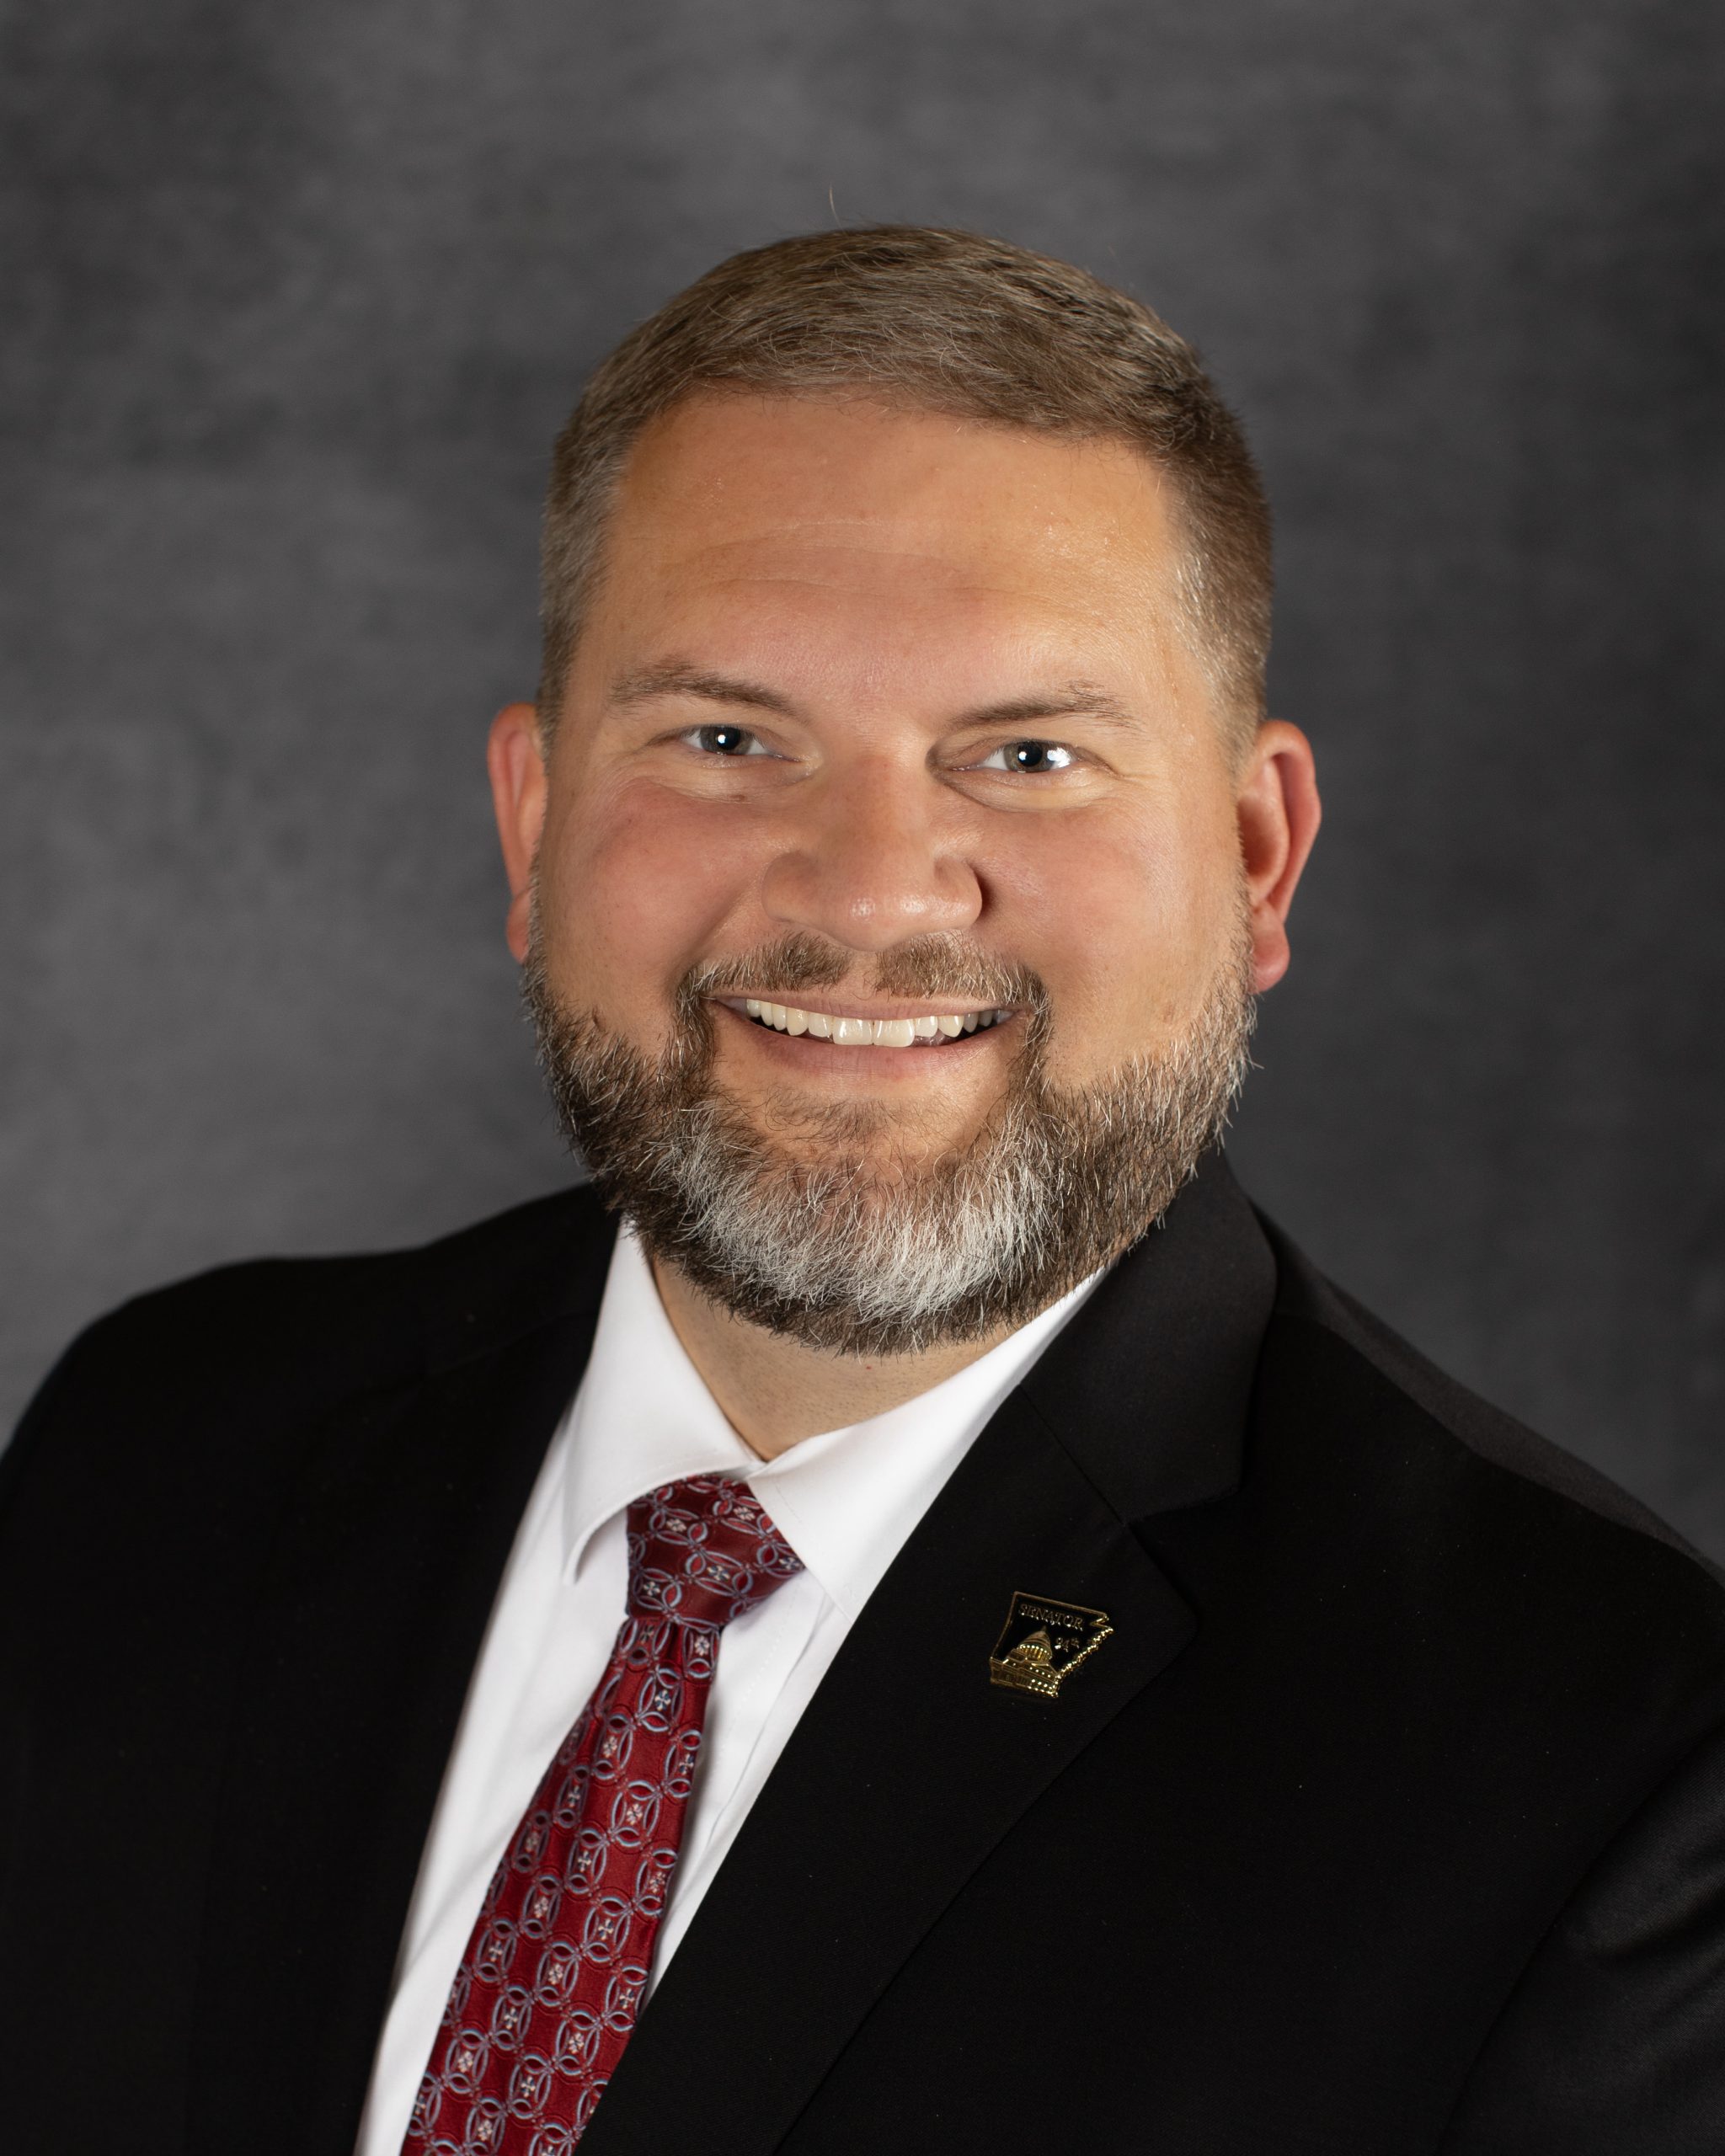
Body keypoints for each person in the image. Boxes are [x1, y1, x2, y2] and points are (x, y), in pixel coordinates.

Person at [3, 227, 1722, 2156]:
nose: (871, 891)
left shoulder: (1591, 1761)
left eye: (1028, 753)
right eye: (727, 739)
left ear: (1256, 857)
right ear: (535, 816)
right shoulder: (157, 1448)